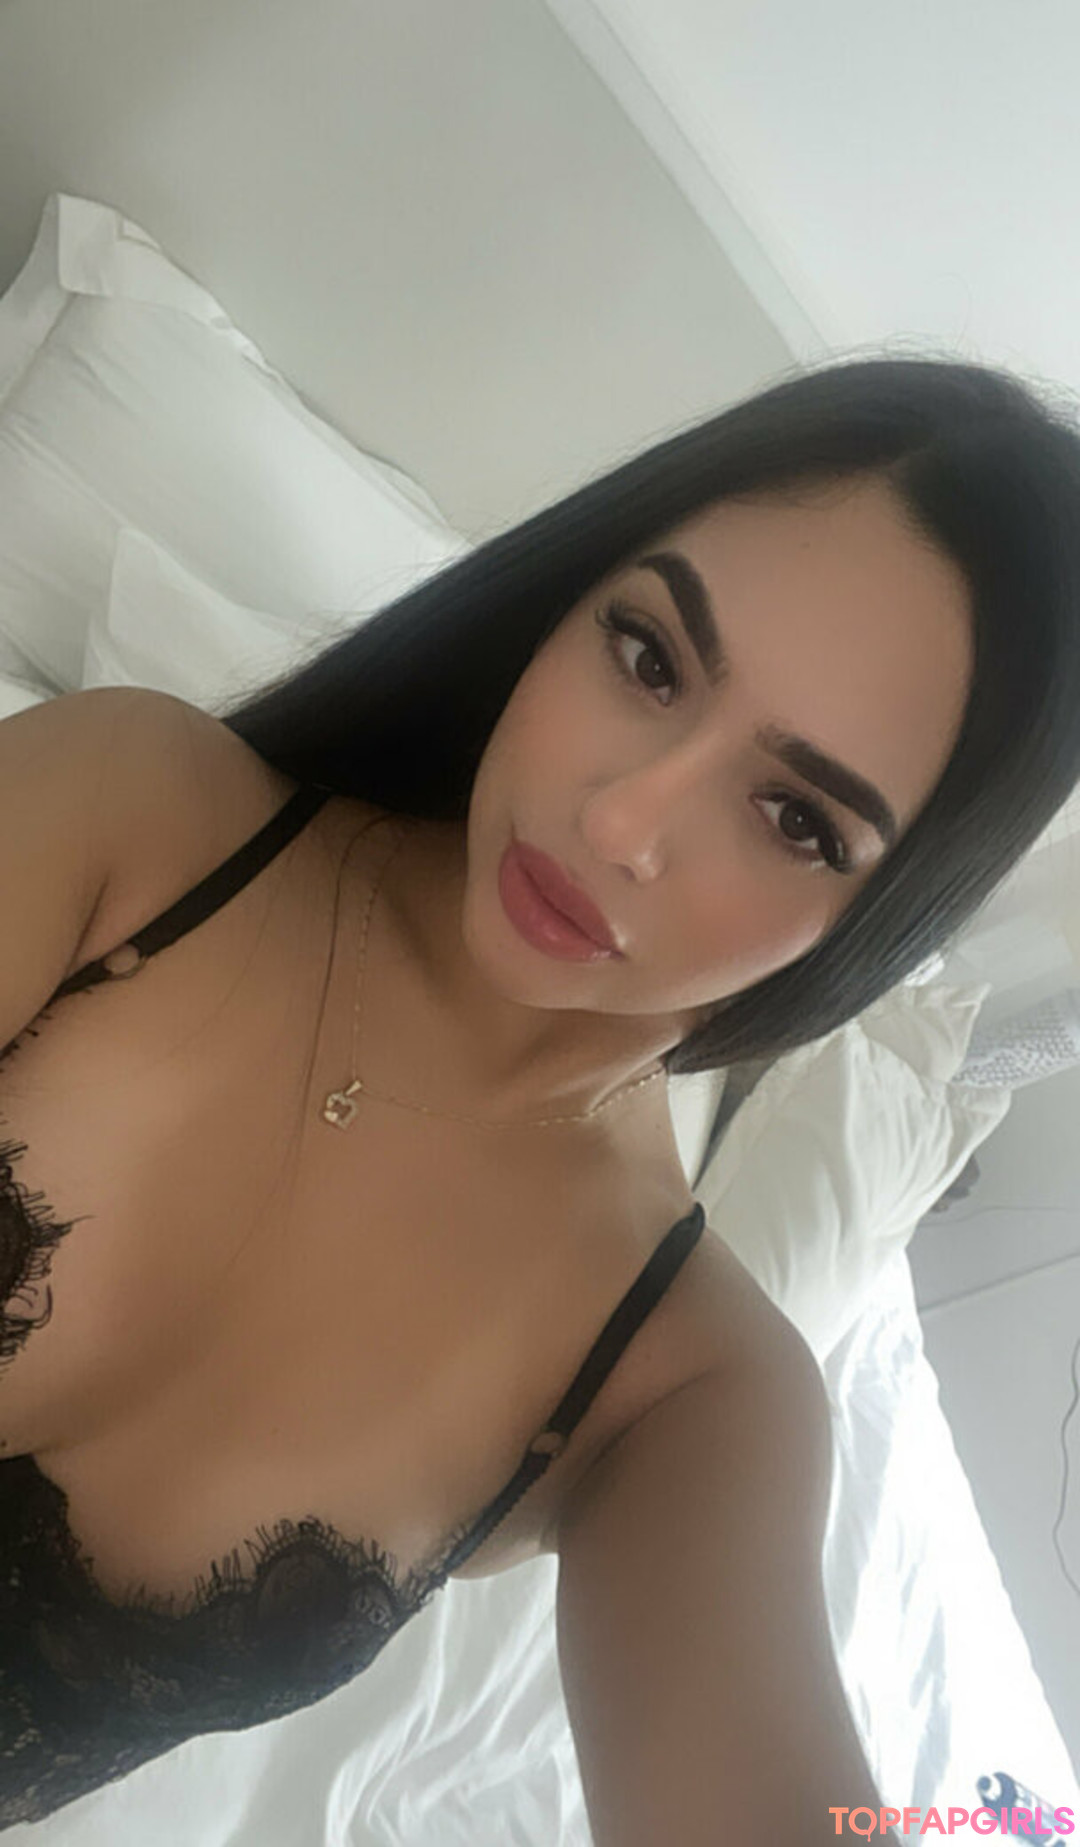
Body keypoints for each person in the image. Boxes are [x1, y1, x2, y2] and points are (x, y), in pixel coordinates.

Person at [0, 355, 1078, 1839]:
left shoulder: (675, 1390)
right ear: (574, 599)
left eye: (794, 817)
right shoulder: (137, 815)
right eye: (649, 657)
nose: (623, 820)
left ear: (874, 925)